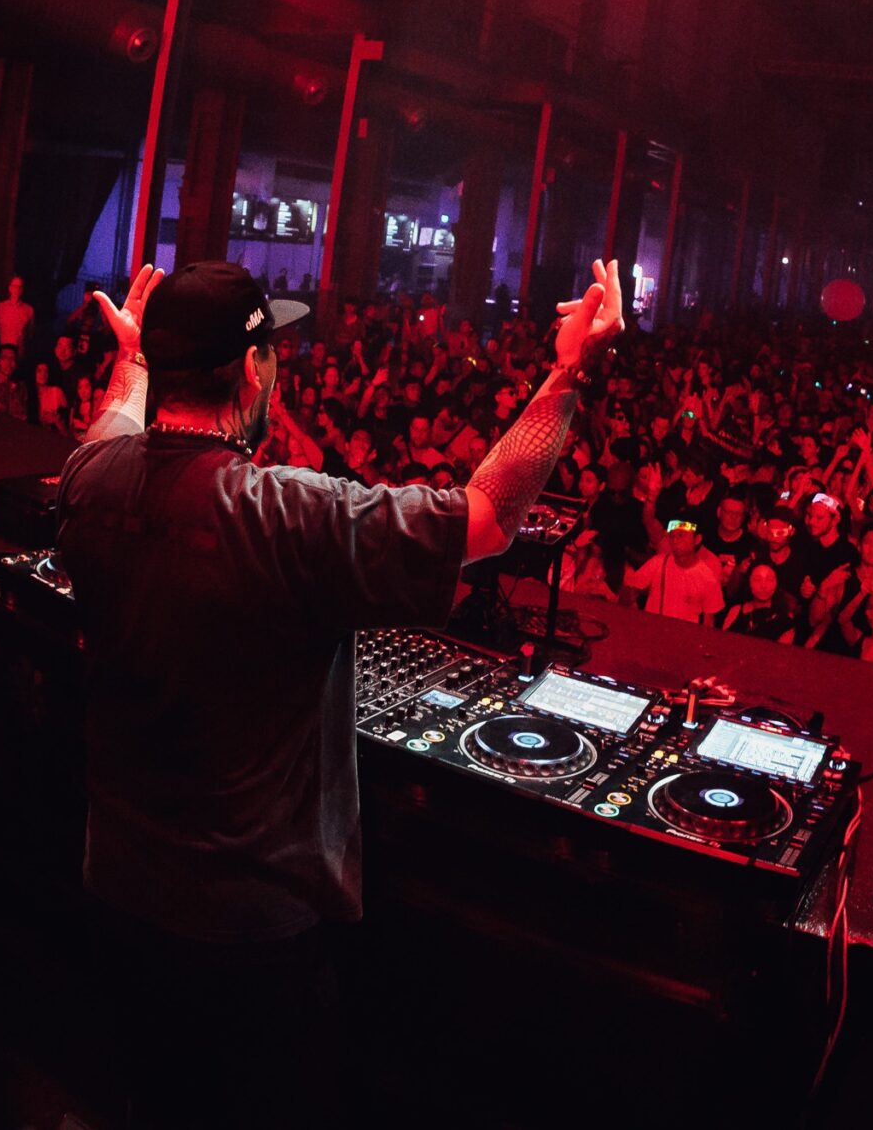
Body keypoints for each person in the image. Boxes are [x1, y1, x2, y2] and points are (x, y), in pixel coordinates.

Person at [55, 257, 621, 1128]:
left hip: (119, 891)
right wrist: (570, 370)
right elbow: (488, 517)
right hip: (250, 932)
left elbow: (113, 421)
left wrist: (133, 358)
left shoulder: (87, 478)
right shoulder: (288, 512)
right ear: (253, 371)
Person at [626, 519, 728, 625]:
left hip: (685, 634)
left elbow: (709, 622)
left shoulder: (708, 578)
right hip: (653, 628)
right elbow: (630, 588)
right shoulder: (658, 563)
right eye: (672, 536)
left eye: (681, 535)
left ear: (697, 539)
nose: (675, 540)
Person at [0, 274, 37, 357]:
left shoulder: (29, 310)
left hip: (20, 353)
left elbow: (30, 334)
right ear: (10, 288)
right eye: (14, 286)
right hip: (2, 351)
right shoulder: (0, 307)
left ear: (22, 290)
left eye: (19, 287)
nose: (17, 289)